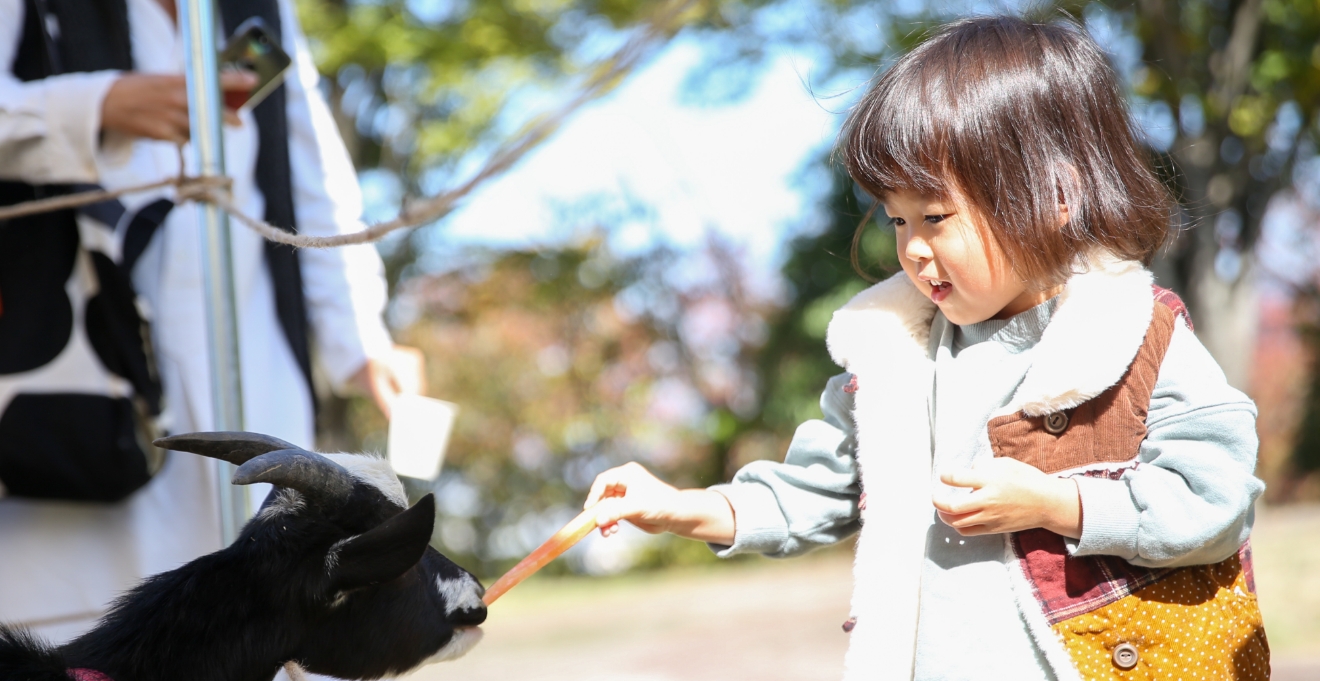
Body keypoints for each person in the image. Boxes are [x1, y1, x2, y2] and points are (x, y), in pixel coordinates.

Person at [585, 16, 1269, 681]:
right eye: (896, 219)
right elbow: (810, 491)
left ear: (1058, 195)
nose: (912, 247)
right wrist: (678, 506)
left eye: (936, 217)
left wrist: (1057, 505)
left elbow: (1214, 500)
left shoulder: (1132, 334)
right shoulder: (895, 360)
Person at [0, 0, 421, 652]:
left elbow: (309, 172)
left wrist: (361, 335)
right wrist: (95, 106)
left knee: (265, 614)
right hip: (75, 387)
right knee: (93, 630)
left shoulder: (259, 9)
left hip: (253, 356)